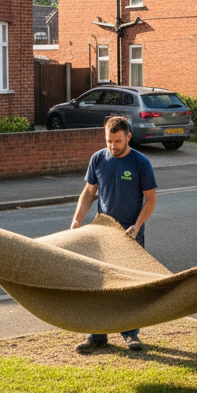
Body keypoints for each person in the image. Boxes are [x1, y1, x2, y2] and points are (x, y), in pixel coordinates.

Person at [70, 115, 158, 353]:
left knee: (128, 287)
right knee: (99, 284)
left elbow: (150, 200)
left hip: (131, 234)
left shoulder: (140, 162)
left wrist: (137, 225)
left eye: (118, 141)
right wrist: (77, 220)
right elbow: (89, 192)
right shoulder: (98, 159)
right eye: (109, 141)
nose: (113, 146)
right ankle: (97, 335)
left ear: (128, 137)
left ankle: (130, 334)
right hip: (103, 233)